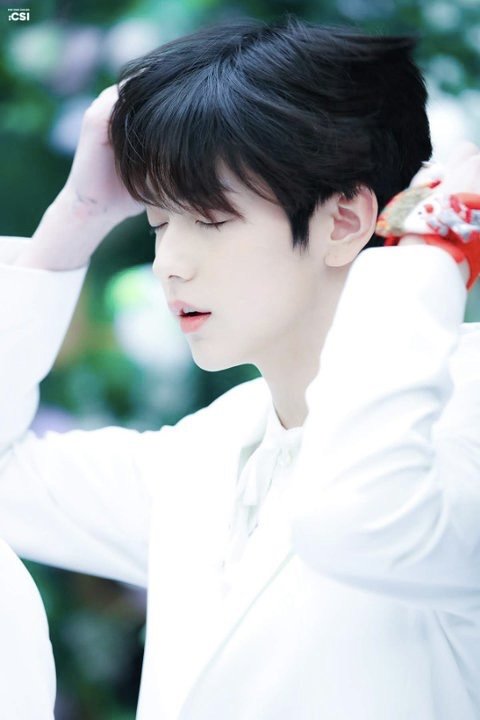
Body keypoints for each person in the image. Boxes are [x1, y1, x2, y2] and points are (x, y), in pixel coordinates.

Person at [1, 13, 480, 719]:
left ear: (345, 220)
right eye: (158, 222)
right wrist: (77, 217)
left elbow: (360, 520)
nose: (169, 263)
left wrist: (433, 252)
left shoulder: (466, 417)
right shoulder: (206, 457)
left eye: (210, 220)